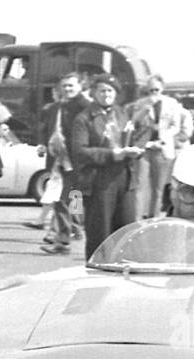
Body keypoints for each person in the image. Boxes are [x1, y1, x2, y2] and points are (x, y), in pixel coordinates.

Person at [70, 73, 143, 259]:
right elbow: (79, 152)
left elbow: (132, 137)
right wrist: (111, 154)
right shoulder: (84, 118)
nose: (106, 94)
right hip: (99, 180)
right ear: (94, 93)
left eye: (110, 91)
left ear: (116, 93)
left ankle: (124, 269)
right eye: (102, 90)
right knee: (100, 233)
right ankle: (96, 271)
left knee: (127, 230)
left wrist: (138, 149)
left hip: (125, 178)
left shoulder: (122, 114)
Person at [128, 75, 192, 218]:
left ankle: (154, 218)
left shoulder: (172, 104)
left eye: (156, 89)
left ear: (162, 89)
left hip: (162, 149)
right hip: (144, 149)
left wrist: (163, 137)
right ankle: (137, 220)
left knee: (158, 188)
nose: (154, 93)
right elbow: (133, 124)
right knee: (140, 186)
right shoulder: (140, 104)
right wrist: (145, 109)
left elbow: (176, 126)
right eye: (150, 90)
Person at [39, 72, 88, 254]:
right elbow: (48, 129)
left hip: (77, 160)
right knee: (67, 198)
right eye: (65, 86)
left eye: (71, 86)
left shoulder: (85, 107)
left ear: (80, 86)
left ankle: (64, 236)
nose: (67, 89)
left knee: (68, 198)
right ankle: (69, 231)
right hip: (61, 159)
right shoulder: (58, 107)